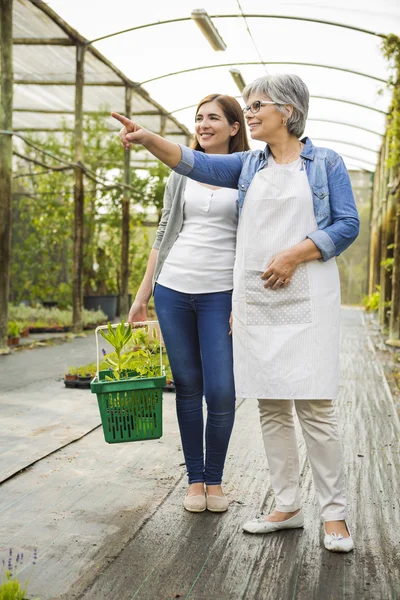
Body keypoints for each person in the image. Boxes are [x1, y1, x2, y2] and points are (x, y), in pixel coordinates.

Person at [112, 73, 359, 552]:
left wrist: (295, 254)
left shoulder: (324, 162)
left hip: (308, 296)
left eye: (257, 105)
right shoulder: (248, 165)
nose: (248, 113)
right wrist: (145, 140)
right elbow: (193, 162)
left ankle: (336, 516)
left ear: (287, 110)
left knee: (314, 406)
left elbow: (346, 223)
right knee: (270, 406)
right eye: (246, 105)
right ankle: (286, 505)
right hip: (258, 298)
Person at [120, 94, 250, 514]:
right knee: (189, 387)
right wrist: (142, 297)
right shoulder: (181, 172)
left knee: (223, 391)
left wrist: (246, 299)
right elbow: (164, 234)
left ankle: (216, 478)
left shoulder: (250, 170)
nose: (203, 124)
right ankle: (197, 480)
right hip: (173, 289)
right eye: (198, 118)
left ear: (234, 127)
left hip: (221, 295)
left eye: (214, 117)